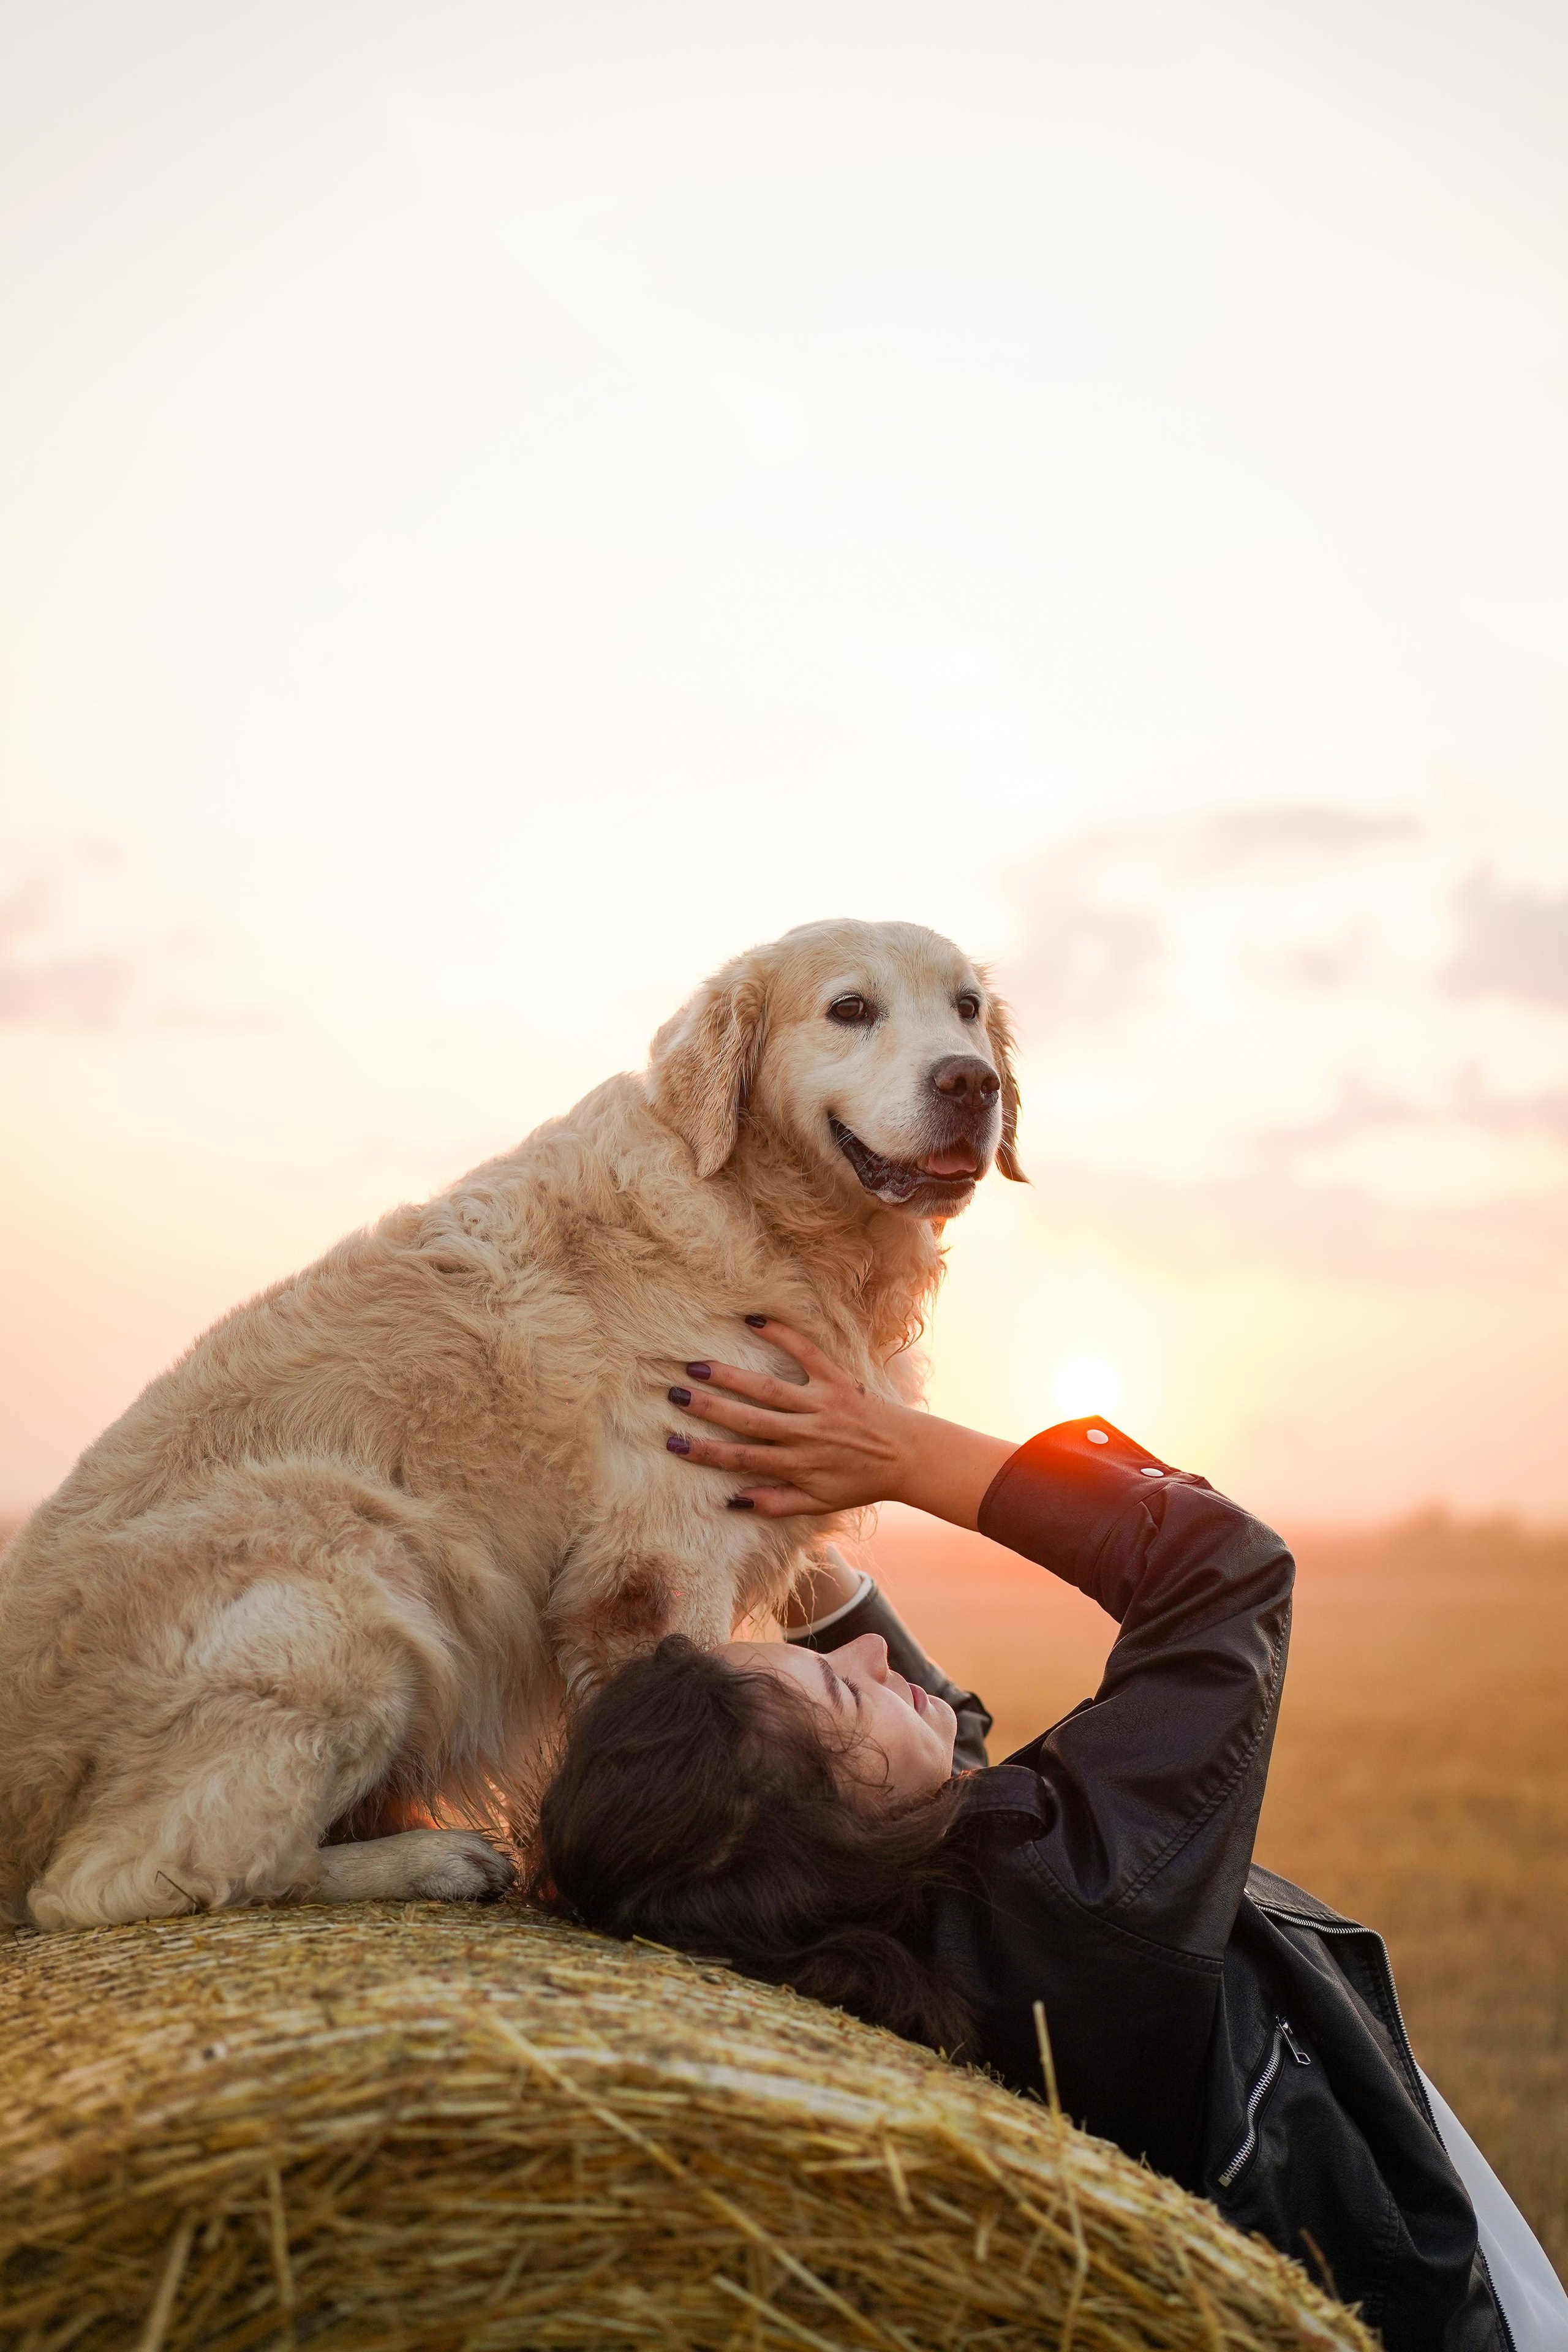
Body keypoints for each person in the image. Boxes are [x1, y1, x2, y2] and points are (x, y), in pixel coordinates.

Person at [532, 1319, 1568, 2352]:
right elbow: (1227, 1570)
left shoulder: (866, 1932)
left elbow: (953, 1774)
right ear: (806, 1841)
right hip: (1437, 2277)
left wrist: (787, 1538)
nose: (863, 1656)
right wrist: (901, 1453)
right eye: (840, 1693)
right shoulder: (1078, 1902)